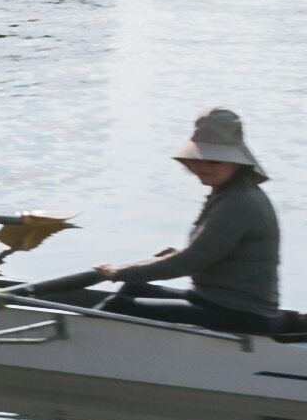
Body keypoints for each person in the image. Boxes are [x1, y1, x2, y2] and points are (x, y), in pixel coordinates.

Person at [105, 108, 281, 332]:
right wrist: (164, 259)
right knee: (133, 289)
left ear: (238, 163)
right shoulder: (228, 193)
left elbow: (191, 261)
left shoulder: (238, 203)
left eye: (215, 161)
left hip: (241, 314)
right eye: (200, 158)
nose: (204, 167)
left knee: (118, 305)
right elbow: (209, 250)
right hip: (212, 300)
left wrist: (119, 272)